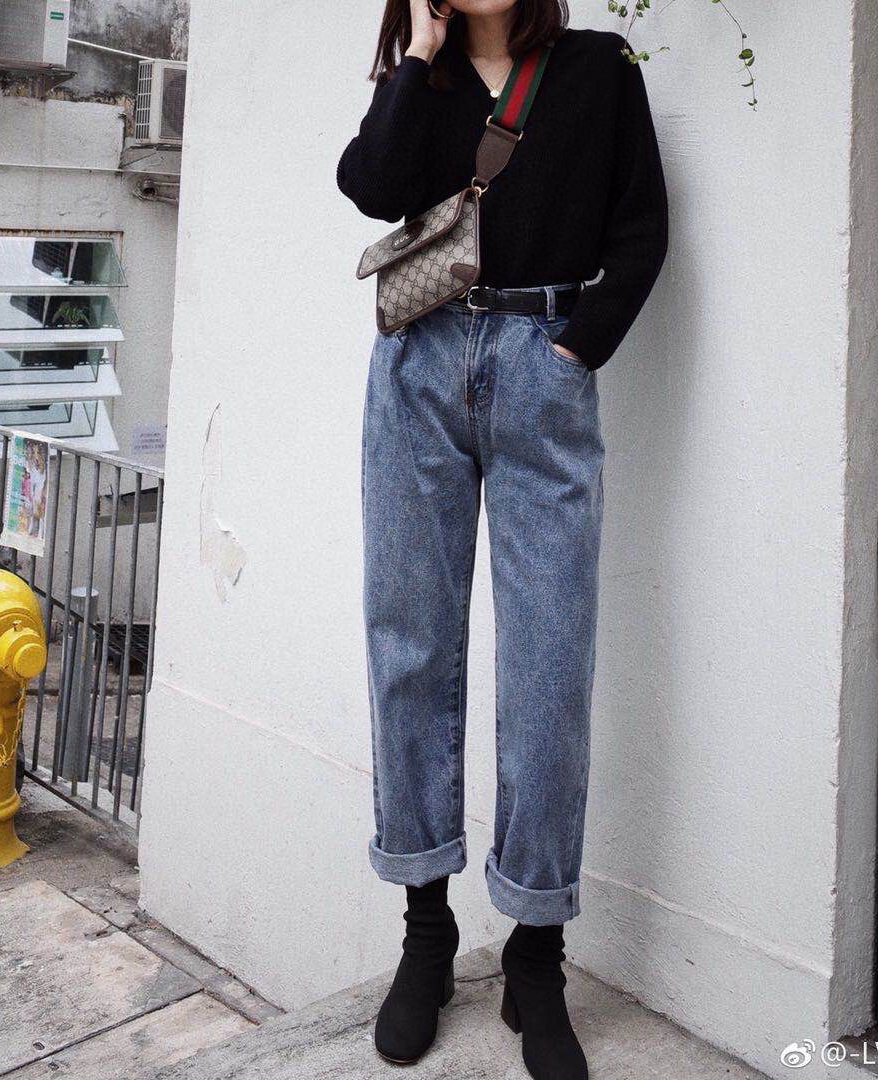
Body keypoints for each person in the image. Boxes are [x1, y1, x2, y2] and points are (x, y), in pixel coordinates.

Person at [338, 1, 667, 1075]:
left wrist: (576, 349)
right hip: (418, 367)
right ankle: (426, 936)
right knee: (410, 648)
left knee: (548, 666)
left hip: (541, 367)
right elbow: (370, 186)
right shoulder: (423, 80)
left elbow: (641, 227)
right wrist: (417, 56)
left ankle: (536, 957)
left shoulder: (598, 68)